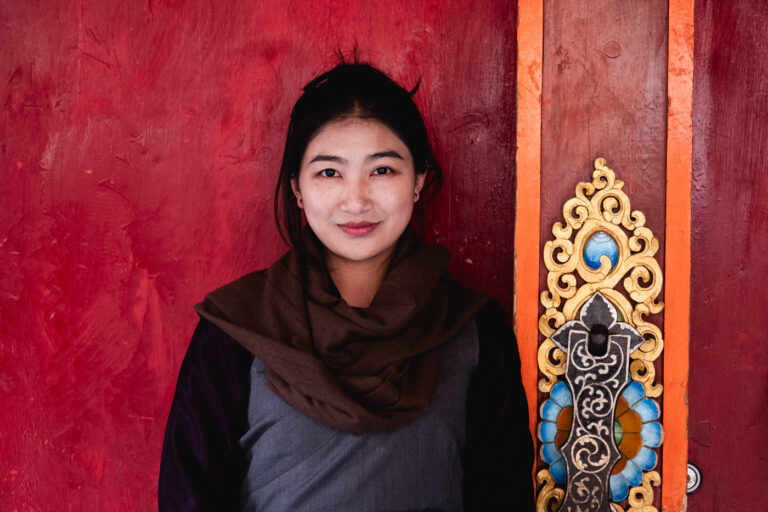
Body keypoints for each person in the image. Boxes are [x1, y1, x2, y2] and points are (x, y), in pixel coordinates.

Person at [159, 60, 534, 511]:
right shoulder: (238, 330)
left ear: (418, 181)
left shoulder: (472, 328)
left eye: (382, 171)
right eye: (329, 173)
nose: (356, 200)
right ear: (297, 188)